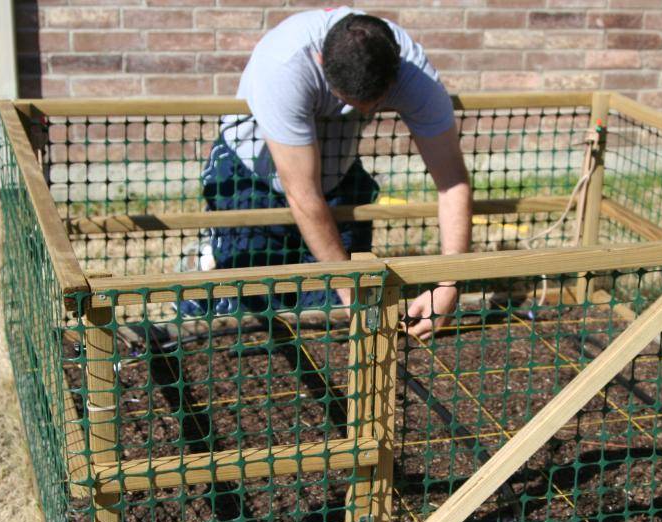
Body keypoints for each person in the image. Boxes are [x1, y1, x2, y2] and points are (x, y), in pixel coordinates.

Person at [185, 8, 472, 340]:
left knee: (328, 320)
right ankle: (207, 277)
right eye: (347, 101)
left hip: (336, 175)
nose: (361, 112)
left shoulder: (412, 71)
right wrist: (351, 292)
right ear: (321, 60)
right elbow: (303, 195)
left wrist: (449, 284)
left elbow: (452, 182)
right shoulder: (284, 67)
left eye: (373, 104)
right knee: (250, 316)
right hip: (254, 175)